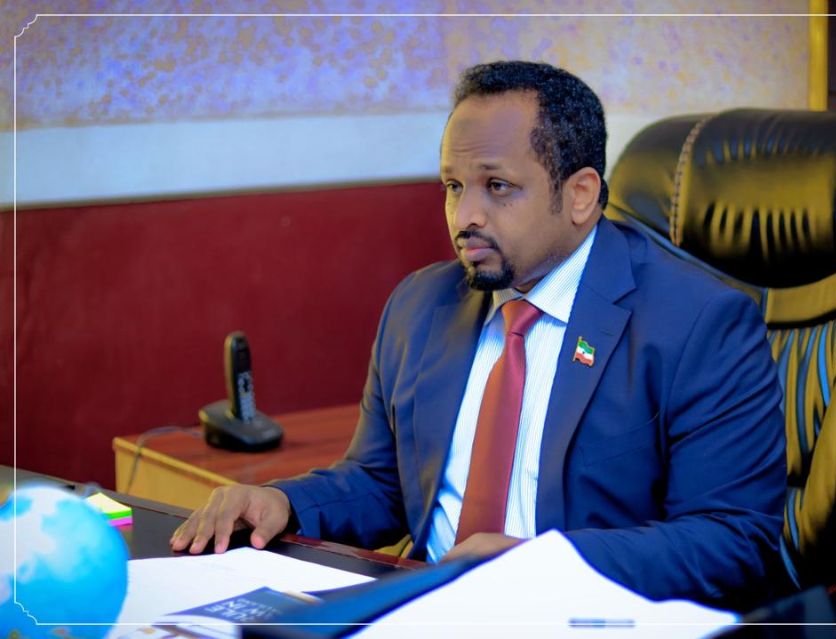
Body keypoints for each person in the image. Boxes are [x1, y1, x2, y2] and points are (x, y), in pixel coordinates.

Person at [171, 60, 786, 610]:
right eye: (453, 186)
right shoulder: (420, 305)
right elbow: (382, 483)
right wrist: (284, 503)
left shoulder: (700, 323)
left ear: (580, 195)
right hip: (426, 611)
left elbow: (733, 539)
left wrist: (543, 565)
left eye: (497, 187)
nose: (464, 216)